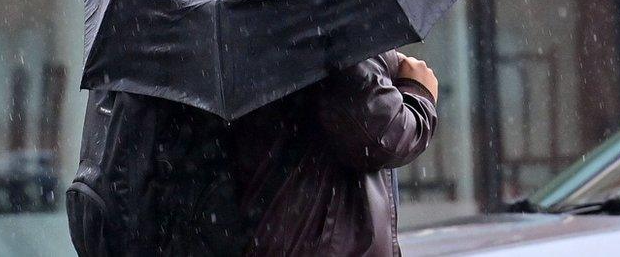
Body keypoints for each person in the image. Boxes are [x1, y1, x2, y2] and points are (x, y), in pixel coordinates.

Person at [66, 49, 438, 256]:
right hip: (303, 240)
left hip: (230, 235)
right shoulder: (315, 5)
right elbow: (379, 133)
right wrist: (417, 91)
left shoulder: (165, 22)